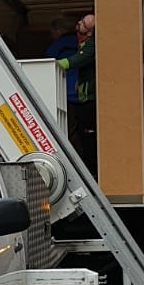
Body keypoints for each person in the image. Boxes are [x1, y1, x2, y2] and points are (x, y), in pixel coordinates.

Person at [57, 13, 96, 172]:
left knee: (88, 140)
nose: (78, 22)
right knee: (82, 136)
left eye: (83, 23)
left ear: (89, 32)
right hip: (83, 98)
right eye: (81, 19)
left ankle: (92, 172)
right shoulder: (83, 43)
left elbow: (73, 61)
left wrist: (50, 65)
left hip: (88, 101)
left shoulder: (91, 45)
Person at [46, 14, 79, 124]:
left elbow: (47, 65)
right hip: (82, 89)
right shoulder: (82, 42)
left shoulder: (57, 45)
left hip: (64, 91)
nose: (51, 36)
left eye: (52, 33)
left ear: (59, 30)